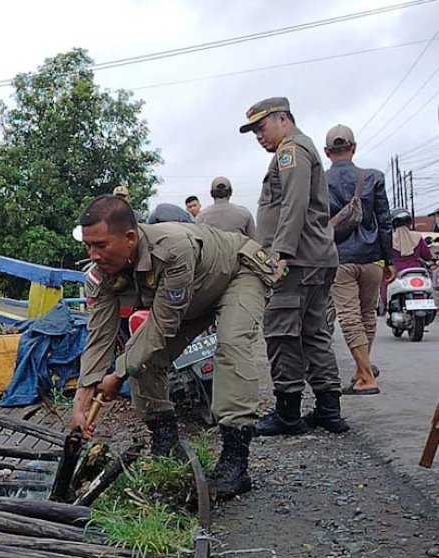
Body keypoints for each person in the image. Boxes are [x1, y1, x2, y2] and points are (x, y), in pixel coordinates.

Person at [70, 194, 282, 499]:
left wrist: (117, 375)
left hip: (237, 274)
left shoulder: (173, 249)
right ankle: (166, 446)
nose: (93, 255)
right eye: (88, 246)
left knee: (232, 345)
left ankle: (235, 462)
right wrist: (81, 400)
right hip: (192, 297)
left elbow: (161, 327)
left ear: (130, 238)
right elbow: (99, 335)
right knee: (143, 360)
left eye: (100, 245)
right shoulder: (102, 273)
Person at [239, 96, 348, 436]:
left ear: (283, 119)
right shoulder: (300, 149)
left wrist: (280, 253)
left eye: (262, 126)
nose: (259, 135)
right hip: (315, 257)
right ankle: (329, 410)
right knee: (315, 334)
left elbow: (294, 204)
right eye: (254, 131)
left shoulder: (291, 151)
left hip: (297, 260)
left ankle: (288, 415)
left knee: (281, 332)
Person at [324, 124, 395, 396]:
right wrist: (389, 260)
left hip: (340, 258)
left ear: (327, 151)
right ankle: (361, 370)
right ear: (354, 147)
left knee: (350, 317)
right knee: (367, 316)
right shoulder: (373, 177)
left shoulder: (321, 182)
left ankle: (366, 376)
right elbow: (384, 221)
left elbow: (317, 223)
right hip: (373, 259)